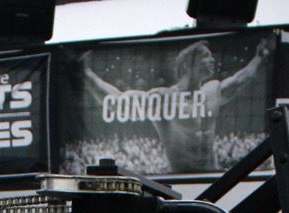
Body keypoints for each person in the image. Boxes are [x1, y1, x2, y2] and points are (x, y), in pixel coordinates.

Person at [79, 34, 273, 173]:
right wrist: (86, 74)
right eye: (207, 56)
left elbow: (240, 79)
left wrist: (259, 57)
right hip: (182, 179)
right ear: (188, 64)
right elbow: (117, 101)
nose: (213, 60)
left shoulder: (211, 90)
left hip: (214, 173)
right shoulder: (162, 98)